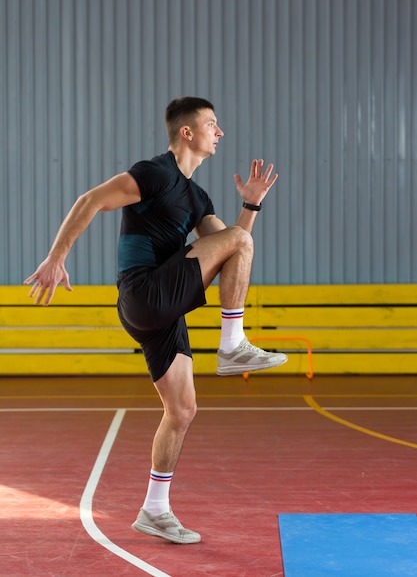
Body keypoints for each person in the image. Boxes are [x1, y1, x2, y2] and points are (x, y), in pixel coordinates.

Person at [24, 96, 288, 544]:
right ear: (187, 132)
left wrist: (252, 205)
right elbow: (90, 200)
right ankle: (232, 345)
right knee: (239, 243)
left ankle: (155, 510)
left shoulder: (196, 195)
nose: (220, 132)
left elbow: (230, 247)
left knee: (183, 410)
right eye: (212, 124)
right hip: (145, 291)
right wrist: (56, 257)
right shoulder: (154, 173)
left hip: (158, 309)